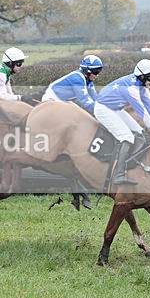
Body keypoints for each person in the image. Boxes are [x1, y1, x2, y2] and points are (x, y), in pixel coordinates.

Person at [42, 54, 105, 208]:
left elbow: (95, 98)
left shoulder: (87, 80)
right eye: (95, 72)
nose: (97, 76)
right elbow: (86, 102)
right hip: (52, 99)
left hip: (63, 100)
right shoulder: (78, 78)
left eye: (99, 72)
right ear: (86, 71)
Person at [94, 59, 150, 185]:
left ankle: (132, 164)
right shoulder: (132, 89)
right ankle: (119, 174)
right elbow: (142, 112)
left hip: (116, 109)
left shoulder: (142, 87)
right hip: (103, 109)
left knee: (140, 133)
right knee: (127, 138)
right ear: (142, 76)